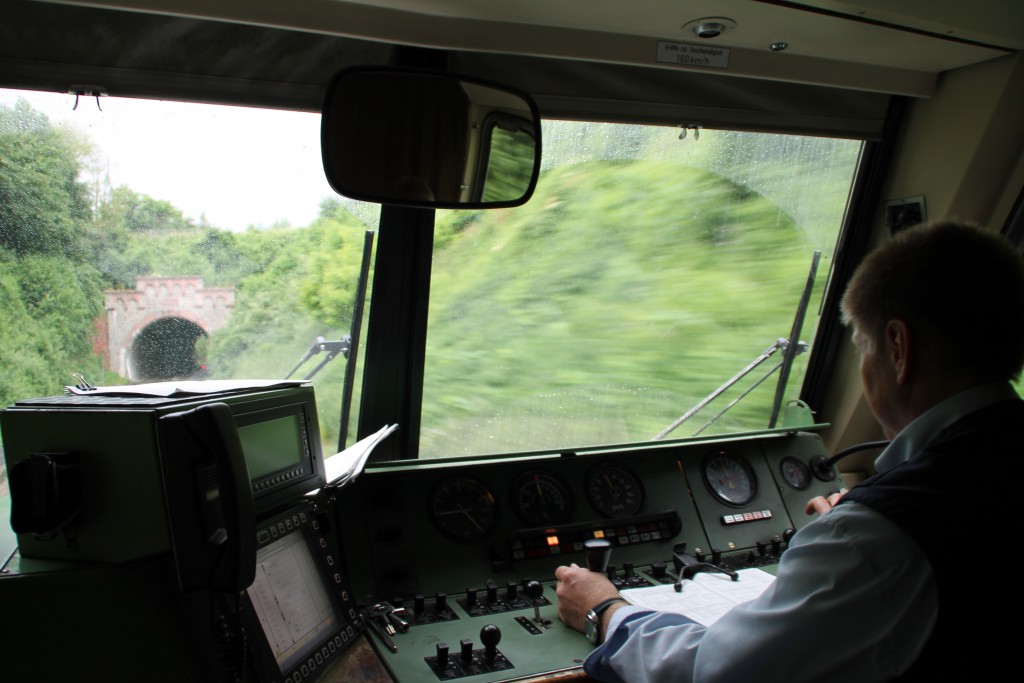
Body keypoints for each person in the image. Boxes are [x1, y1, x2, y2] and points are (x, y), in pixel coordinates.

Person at [555, 220, 1024, 682]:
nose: (863, 370)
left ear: (898, 348)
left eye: (863, 347)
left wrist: (604, 608)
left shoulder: (879, 535)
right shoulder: (888, 526)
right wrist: (849, 540)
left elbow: (710, 673)